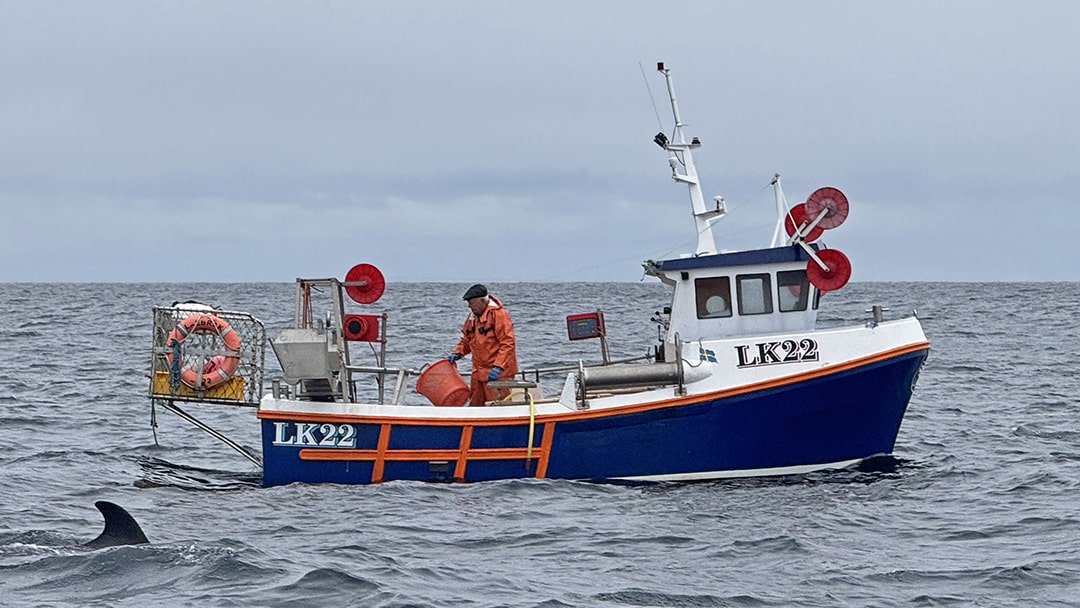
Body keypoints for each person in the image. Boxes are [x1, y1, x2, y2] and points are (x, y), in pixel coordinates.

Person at [447, 284, 518, 406]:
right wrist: (457, 352)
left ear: (482, 300)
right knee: (475, 406)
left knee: (498, 407)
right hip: (478, 373)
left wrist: (498, 367)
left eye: (471, 303)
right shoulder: (473, 317)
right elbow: (466, 339)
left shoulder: (499, 315)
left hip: (498, 374)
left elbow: (508, 343)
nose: (469, 306)